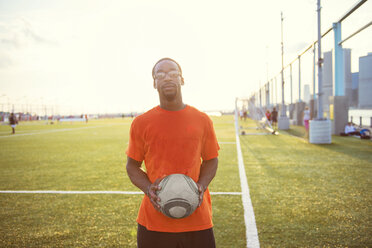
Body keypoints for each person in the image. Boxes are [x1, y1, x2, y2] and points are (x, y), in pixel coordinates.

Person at [126, 58, 219, 248]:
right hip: (154, 223)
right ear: (154, 83)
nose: (167, 77)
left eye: (172, 73)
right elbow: (132, 166)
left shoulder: (202, 120)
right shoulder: (141, 123)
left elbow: (211, 160)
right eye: (160, 74)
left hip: (197, 220)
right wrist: (148, 188)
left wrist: (200, 186)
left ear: (182, 79)